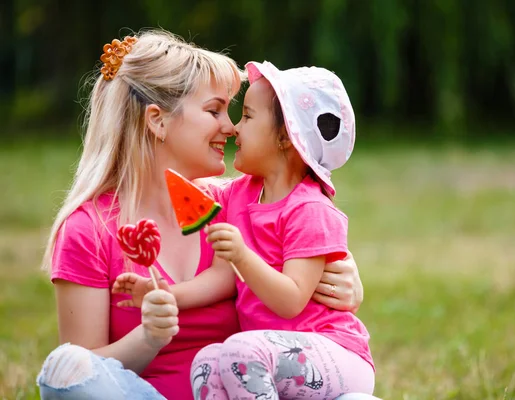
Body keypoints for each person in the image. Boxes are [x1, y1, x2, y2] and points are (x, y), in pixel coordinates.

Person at [35, 30, 366, 400]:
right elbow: (87, 372)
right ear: (158, 121)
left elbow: (303, 246)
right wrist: (147, 338)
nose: (230, 126)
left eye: (234, 112)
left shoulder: (232, 207)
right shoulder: (87, 230)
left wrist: (347, 281)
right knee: (65, 371)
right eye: (214, 110)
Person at [115, 61, 375, 399]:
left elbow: (292, 300)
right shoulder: (238, 196)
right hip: (265, 354)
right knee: (207, 362)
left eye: (248, 117)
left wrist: (242, 255)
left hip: (334, 354)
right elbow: (221, 272)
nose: (235, 128)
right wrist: (162, 293)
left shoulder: (311, 209)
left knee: (238, 352)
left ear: (285, 137)